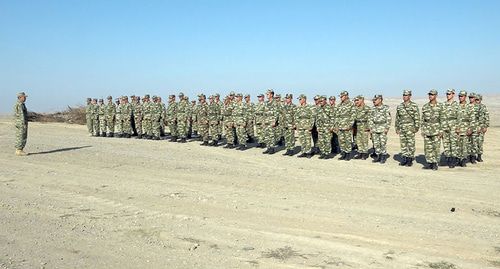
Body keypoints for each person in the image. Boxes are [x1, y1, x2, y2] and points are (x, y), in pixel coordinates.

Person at [394, 90, 420, 167]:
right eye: (404, 95)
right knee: (403, 144)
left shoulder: (414, 106)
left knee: (411, 144)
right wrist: (397, 127)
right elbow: (397, 118)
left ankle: (410, 159)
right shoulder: (400, 106)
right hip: (402, 128)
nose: (405, 97)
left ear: (410, 96)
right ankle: (404, 158)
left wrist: (416, 127)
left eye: (406, 95)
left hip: (410, 128)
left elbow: (417, 117)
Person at [421, 89, 444, 170]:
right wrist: (423, 130)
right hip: (427, 130)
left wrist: (441, 131)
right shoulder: (425, 107)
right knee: (428, 148)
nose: (430, 96)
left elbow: (442, 119)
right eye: (429, 94)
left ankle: (435, 163)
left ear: (436, 96)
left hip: (436, 130)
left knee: (436, 148)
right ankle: (429, 162)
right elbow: (423, 120)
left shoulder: (440, 106)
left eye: (432, 95)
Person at [369, 95, 391, 164]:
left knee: (382, 143)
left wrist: (387, 128)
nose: (374, 101)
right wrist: (371, 128)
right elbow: (370, 119)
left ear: (380, 100)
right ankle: (378, 156)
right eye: (374, 100)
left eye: (375, 99)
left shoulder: (385, 108)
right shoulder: (373, 108)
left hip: (382, 127)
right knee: (376, 143)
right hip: (375, 128)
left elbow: (388, 118)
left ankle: (383, 157)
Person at [334, 91, 355, 160]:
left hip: (347, 126)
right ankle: (343, 153)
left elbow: (353, 115)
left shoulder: (351, 104)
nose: (341, 98)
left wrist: (350, 125)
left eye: (342, 96)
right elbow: (336, 116)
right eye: (340, 96)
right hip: (340, 126)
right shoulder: (339, 105)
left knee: (348, 140)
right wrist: (336, 125)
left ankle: (348, 154)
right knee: (341, 141)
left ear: (346, 96)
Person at [441, 89, 459, 168]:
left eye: (449, 94)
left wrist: (458, 127)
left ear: (453, 94)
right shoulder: (443, 105)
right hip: (445, 126)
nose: (448, 95)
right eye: (447, 94)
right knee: (446, 143)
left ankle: (453, 160)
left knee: (453, 143)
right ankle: (448, 159)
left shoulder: (456, 105)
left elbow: (459, 117)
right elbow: (441, 117)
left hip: (453, 127)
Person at [456, 90, 474, 167]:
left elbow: (472, 119)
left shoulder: (469, 107)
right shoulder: (456, 106)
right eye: (459, 96)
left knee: (464, 145)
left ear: (465, 97)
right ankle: (458, 159)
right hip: (457, 129)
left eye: (462, 96)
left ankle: (463, 160)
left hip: (466, 128)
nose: (460, 97)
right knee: (457, 145)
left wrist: (470, 129)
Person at [353, 95, 371, 160]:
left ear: (362, 100)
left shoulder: (367, 108)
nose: (356, 102)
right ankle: (360, 153)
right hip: (358, 125)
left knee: (364, 140)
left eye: (357, 100)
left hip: (364, 125)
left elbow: (370, 118)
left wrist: (369, 127)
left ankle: (364, 154)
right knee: (358, 140)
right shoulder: (356, 108)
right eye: (355, 100)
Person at [14, 92, 29, 156]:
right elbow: (21, 115)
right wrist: (23, 123)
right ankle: (19, 150)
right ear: (20, 97)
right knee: (21, 136)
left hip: (20, 123)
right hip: (21, 123)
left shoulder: (21, 104)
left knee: (21, 136)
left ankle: (19, 149)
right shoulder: (19, 104)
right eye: (24, 97)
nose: (25, 98)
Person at [475, 94, 489, 162]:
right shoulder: (471, 106)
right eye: (475, 99)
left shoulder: (483, 107)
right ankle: (471, 156)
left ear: (480, 100)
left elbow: (486, 117)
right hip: (474, 127)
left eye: (478, 100)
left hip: (481, 127)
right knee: (471, 142)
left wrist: (486, 126)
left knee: (480, 142)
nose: (476, 101)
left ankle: (479, 156)